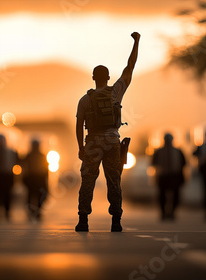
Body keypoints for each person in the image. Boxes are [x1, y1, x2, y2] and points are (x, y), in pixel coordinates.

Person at [75, 32, 140, 232]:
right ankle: (116, 221)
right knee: (114, 180)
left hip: (93, 143)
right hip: (112, 141)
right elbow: (130, 67)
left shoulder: (85, 100)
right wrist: (136, 42)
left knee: (88, 180)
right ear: (109, 77)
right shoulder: (115, 92)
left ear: (93, 78)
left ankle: (83, 220)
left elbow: (79, 125)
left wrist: (81, 148)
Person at [152, 133, 186, 221]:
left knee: (176, 196)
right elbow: (153, 164)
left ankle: (172, 212)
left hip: (174, 175)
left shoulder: (178, 151)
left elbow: (183, 164)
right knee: (162, 196)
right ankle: (163, 213)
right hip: (163, 176)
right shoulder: (159, 151)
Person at [21, 139, 49, 222]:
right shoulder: (28, 156)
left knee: (40, 196)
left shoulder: (42, 155)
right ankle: (32, 212)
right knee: (30, 196)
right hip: (31, 178)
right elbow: (24, 168)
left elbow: (45, 168)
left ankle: (37, 211)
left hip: (39, 178)